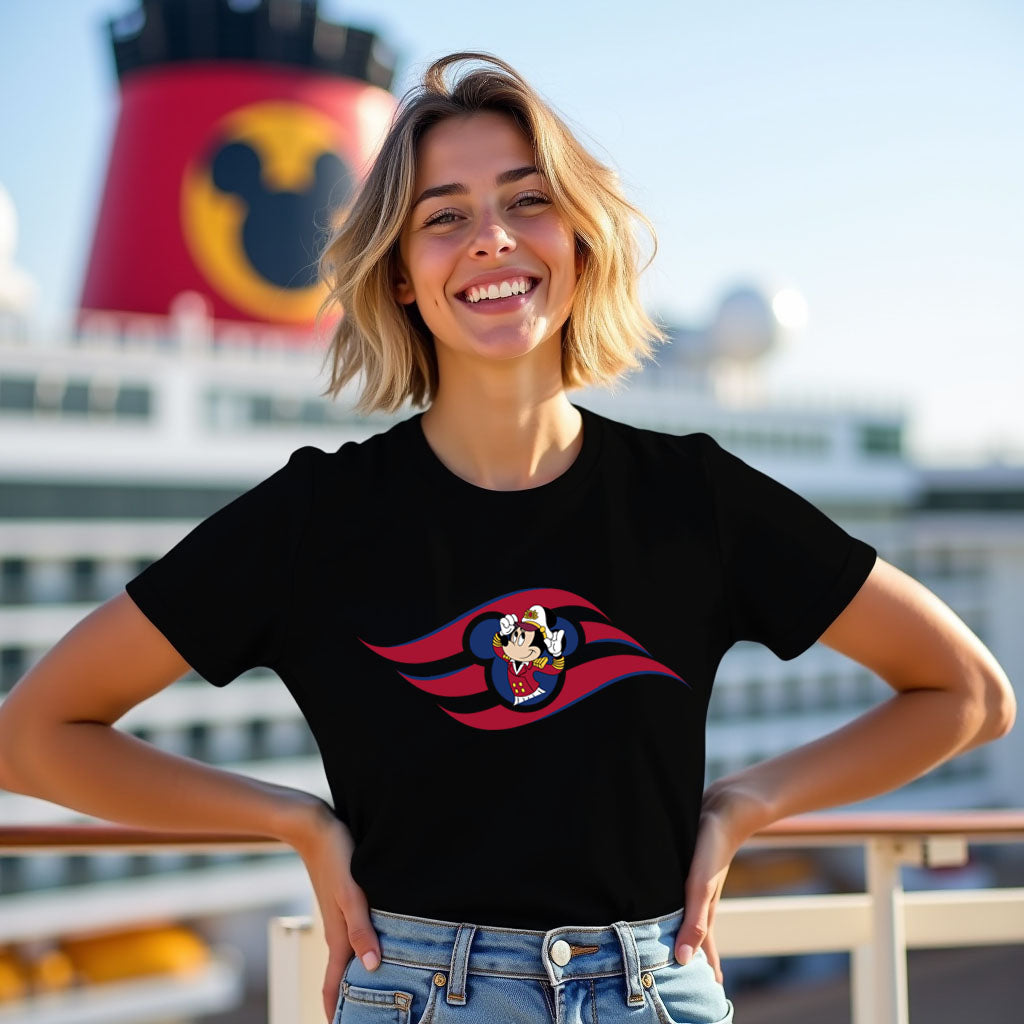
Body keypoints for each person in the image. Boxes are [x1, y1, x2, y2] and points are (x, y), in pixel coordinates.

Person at [0, 51, 1015, 1024]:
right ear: (400, 275)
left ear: (577, 241)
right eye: (445, 217)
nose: (491, 237)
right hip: (416, 994)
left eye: (529, 201)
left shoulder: (694, 498)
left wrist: (748, 800)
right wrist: (293, 818)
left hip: (651, 989)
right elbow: (31, 734)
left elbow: (968, 694)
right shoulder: (316, 517)